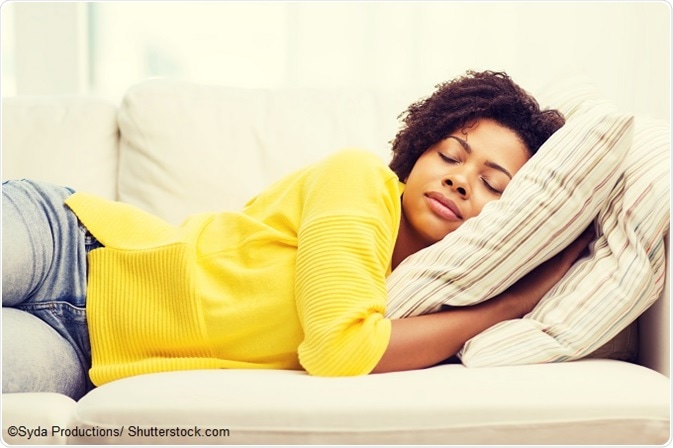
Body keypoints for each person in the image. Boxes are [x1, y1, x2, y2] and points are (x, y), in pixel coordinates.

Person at [2, 70, 591, 401]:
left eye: (492, 183)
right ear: (418, 151)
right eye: (450, 154)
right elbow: (340, 348)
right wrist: (509, 306)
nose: (460, 180)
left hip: (85, 351)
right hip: (70, 245)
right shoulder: (359, 179)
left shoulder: (424, 294)